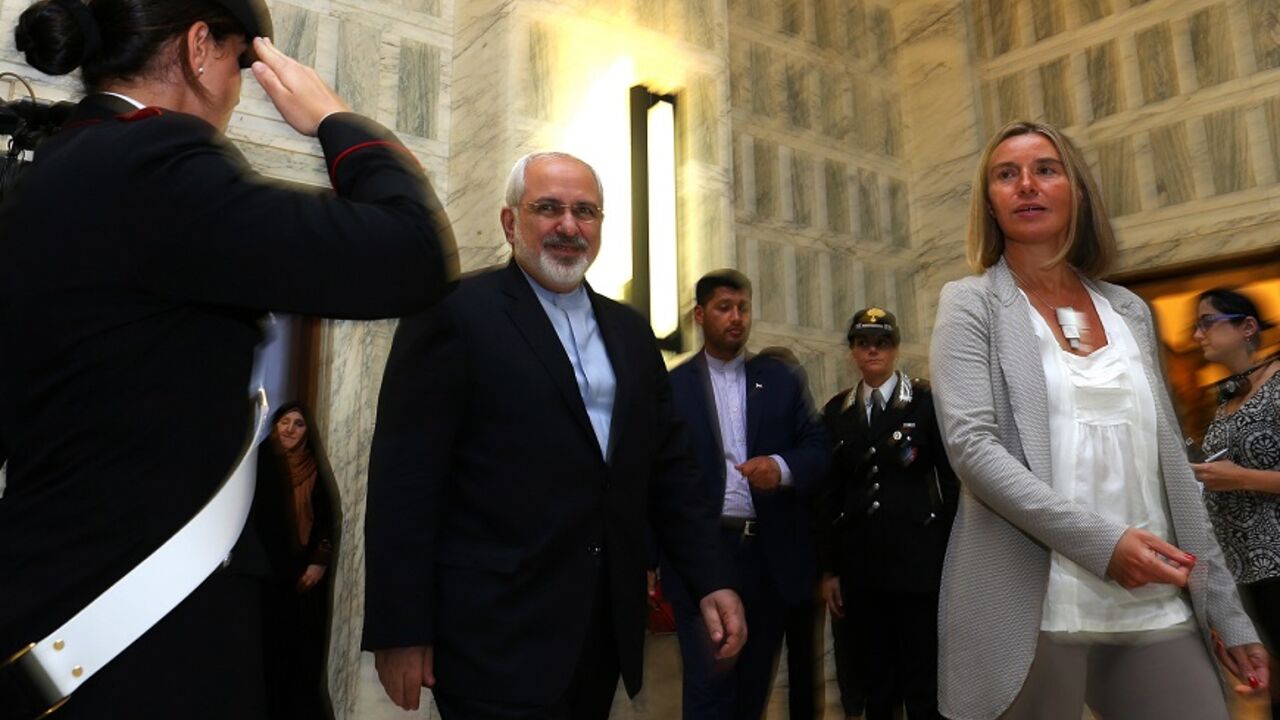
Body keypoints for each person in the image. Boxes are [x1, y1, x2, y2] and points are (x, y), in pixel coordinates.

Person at [0, 0, 458, 716]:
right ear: (199, 48)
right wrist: (336, 120)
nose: (244, 88)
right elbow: (413, 257)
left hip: (55, 603)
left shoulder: (49, 170)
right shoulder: (154, 167)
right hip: (143, 649)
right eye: (244, 62)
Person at [363, 152, 746, 720]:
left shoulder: (632, 332)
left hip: (600, 635)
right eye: (548, 208)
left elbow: (670, 472)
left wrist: (711, 578)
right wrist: (401, 629)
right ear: (510, 221)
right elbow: (405, 480)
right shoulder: (455, 313)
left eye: (585, 211)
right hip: (490, 635)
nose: (569, 225)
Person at [928, 119, 1269, 720]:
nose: (1026, 185)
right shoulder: (971, 303)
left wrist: (1225, 610)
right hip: (1032, 606)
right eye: (1006, 175)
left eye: (1045, 170)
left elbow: (1173, 472)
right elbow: (973, 450)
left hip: (1152, 601)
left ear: (1077, 192)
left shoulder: (1129, 310)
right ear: (990, 202)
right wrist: (1103, 545)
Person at [664, 269, 829, 720]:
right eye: (723, 308)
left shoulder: (779, 380)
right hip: (704, 555)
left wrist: (781, 468)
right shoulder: (673, 388)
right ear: (700, 315)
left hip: (767, 556)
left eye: (743, 308)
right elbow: (654, 478)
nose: (736, 318)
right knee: (709, 685)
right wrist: (649, 556)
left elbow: (818, 450)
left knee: (753, 686)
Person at [820, 307, 957, 720]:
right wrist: (829, 570)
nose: (873, 350)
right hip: (862, 570)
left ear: (896, 348)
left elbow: (949, 481)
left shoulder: (925, 403)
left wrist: (950, 554)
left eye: (882, 342)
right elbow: (829, 494)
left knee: (922, 681)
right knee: (875, 682)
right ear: (852, 352)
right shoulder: (836, 412)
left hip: (917, 565)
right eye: (863, 343)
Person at [1192, 287, 1280, 719]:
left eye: (1206, 322)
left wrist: (1238, 477)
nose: (1196, 334)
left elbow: (1240, 476)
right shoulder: (1227, 398)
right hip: (1243, 570)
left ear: (1246, 327)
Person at [252, 402, 341, 720]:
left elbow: (326, 523)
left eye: (298, 423)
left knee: (301, 663)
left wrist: (318, 563)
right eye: (283, 422)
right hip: (267, 582)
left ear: (307, 433)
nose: (289, 429)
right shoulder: (260, 467)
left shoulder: (314, 470)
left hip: (304, 584)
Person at [756, 345, 823, 720]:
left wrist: (823, 571)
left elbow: (823, 505)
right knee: (752, 675)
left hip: (800, 575)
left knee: (803, 672)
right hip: (756, 576)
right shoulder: (744, 434)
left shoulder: (812, 435)